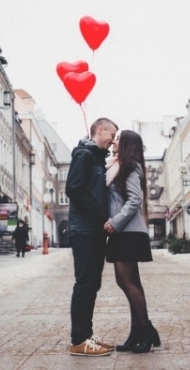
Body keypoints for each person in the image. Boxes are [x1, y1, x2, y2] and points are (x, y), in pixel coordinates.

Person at [104, 130, 160, 354]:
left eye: (118, 138)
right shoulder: (116, 166)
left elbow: (135, 199)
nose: (113, 141)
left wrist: (115, 222)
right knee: (130, 282)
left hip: (128, 231)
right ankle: (138, 332)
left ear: (127, 144)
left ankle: (145, 331)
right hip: (124, 232)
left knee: (127, 282)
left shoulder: (130, 166)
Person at [65, 117, 119, 357]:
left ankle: (86, 335)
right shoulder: (84, 155)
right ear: (100, 130)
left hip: (93, 230)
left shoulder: (96, 157)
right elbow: (73, 188)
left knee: (92, 284)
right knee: (85, 284)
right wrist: (101, 215)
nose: (113, 141)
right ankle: (79, 341)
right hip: (84, 230)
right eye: (112, 135)